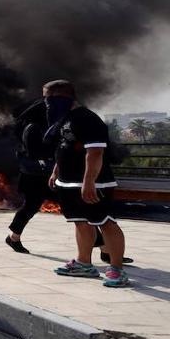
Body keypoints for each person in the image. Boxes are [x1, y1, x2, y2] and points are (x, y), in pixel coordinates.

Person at [45, 80, 130, 287]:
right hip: (69, 182)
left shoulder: (88, 119)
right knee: (80, 222)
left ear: (62, 97)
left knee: (106, 222)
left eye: (48, 98)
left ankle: (116, 269)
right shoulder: (65, 118)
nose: (46, 103)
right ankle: (84, 263)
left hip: (95, 184)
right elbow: (64, 148)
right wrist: (56, 171)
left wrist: (89, 181)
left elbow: (95, 152)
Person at [6, 100, 56, 253]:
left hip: (46, 175)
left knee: (76, 210)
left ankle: (104, 249)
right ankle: (13, 238)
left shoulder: (46, 127)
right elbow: (35, 153)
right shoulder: (33, 128)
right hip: (36, 176)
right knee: (30, 207)